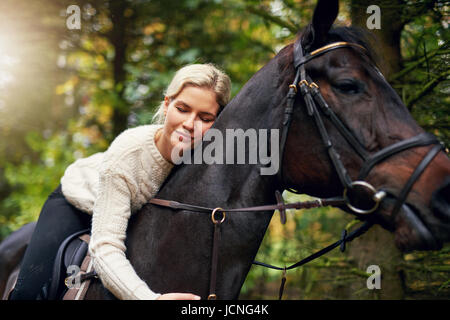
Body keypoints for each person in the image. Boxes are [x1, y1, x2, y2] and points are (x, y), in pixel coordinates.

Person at [9, 63, 232, 300]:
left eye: (205, 118)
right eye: (183, 109)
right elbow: (104, 249)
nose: (190, 124)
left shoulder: (208, 163)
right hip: (79, 201)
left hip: (131, 210)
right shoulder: (127, 154)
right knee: (29, 291)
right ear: (167, 105)